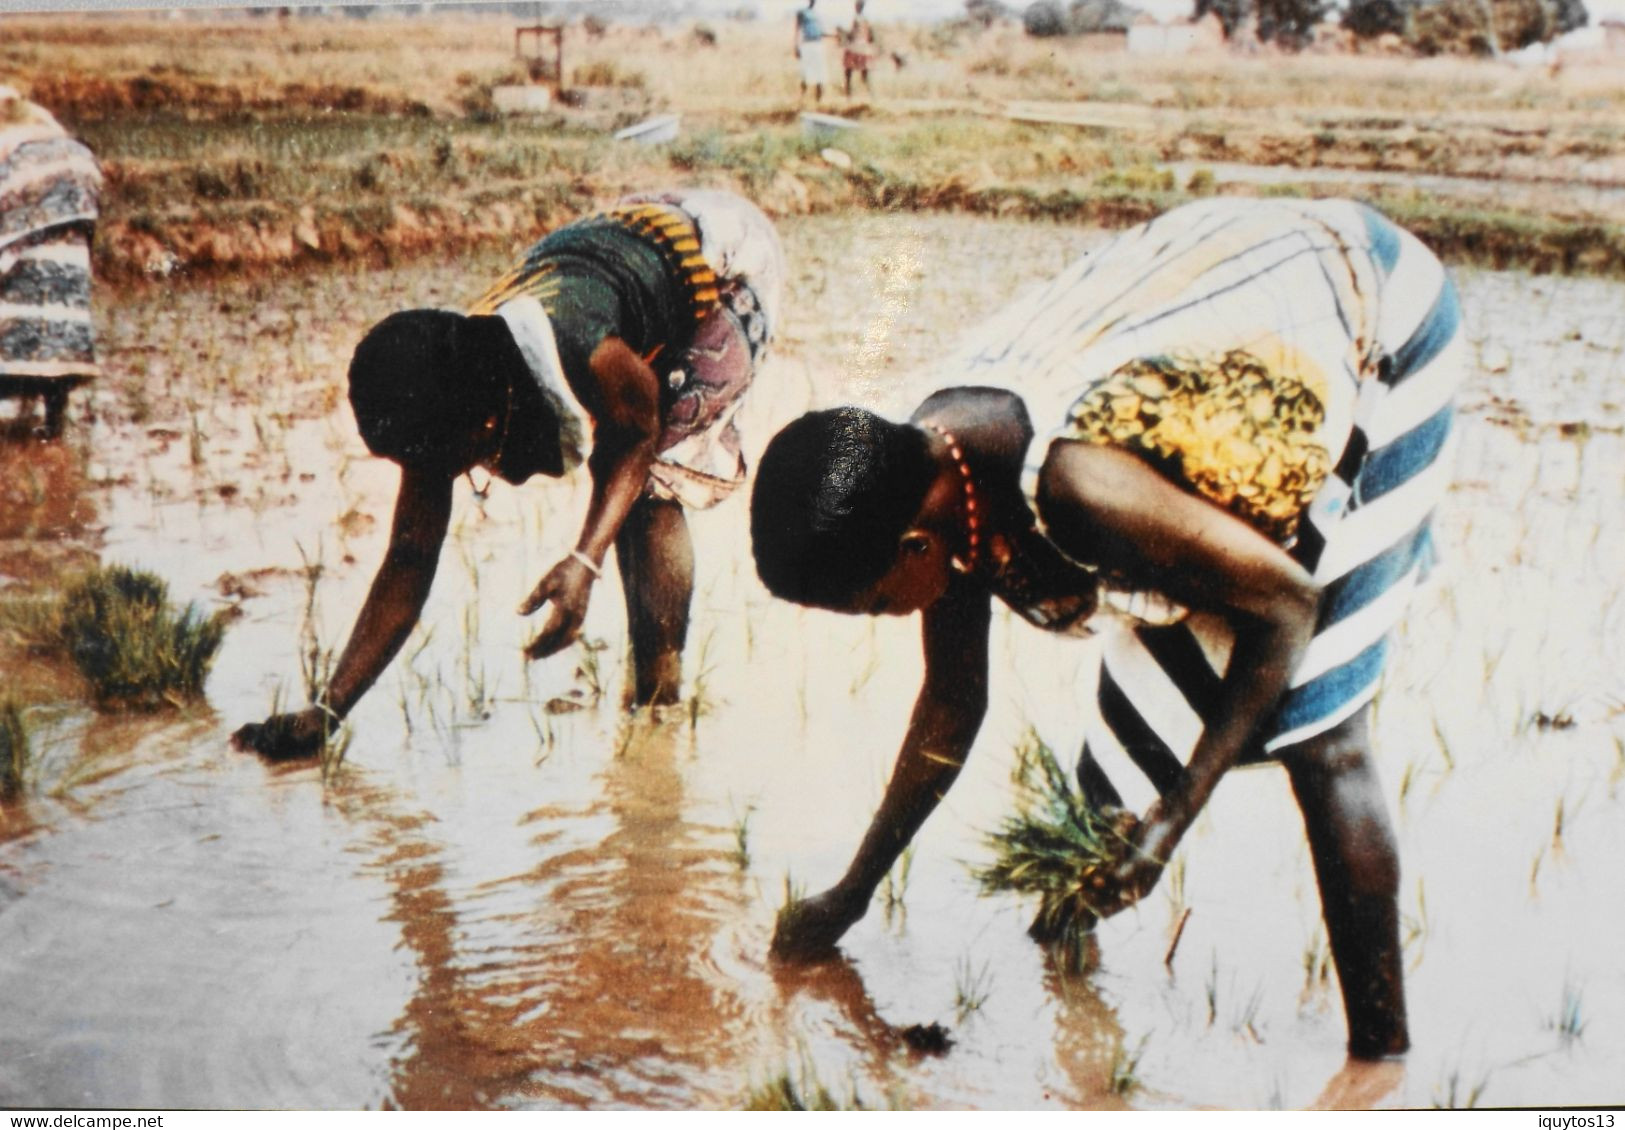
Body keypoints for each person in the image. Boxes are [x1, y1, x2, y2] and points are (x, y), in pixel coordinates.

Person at [749, 197, 1464, 1062]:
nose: (882, 620)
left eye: (871, 605)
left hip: (1370, 308)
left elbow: (1285, 607)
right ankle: (1069, 979)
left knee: (1318, 723)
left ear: (912, 546)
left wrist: (1173, 819)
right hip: (1202, 338)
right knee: (1116, 783)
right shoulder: (923, 472)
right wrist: (851, 894)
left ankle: (1378, 1069)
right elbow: (952, 703)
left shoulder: (1082, 490)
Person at [233, 189, 785, 759]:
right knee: (620, 470)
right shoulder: (447, 388)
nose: (436, 476)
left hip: (725, 257)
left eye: (446, 463)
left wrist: (584, 561)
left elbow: (638, 435)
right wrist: (326, 711)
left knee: (647, 490)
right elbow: (409, 558)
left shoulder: (586, 350)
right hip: (622, 237)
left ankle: (658, 710)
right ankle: (649, 698)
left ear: (485, 421)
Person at [1, 86, 101, 440]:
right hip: (66, 255)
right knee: (58, 332)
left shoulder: (14, 148)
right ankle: (53, 425)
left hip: (26, 258)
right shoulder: (65, 148)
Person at [794, 0, 831, 104]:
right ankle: (801, 99)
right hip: (807, 45)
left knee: (820, 74)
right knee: (806, 73)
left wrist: (834, 36)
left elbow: (821, 32)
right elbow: (797, 30)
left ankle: (818, 101)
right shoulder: (802, 13)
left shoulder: (817, 15)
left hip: (818, 44)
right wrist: (796, 46)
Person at [842, 0, 879, 101]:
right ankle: (873, 97)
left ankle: (848, 98)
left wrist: (844, 35)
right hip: (864, 49)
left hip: (854, 48)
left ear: (858, 6)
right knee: (865, 75)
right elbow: (871, 37)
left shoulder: (855, 19)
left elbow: (851, 34)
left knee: (848, 73)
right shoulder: (867, 20)